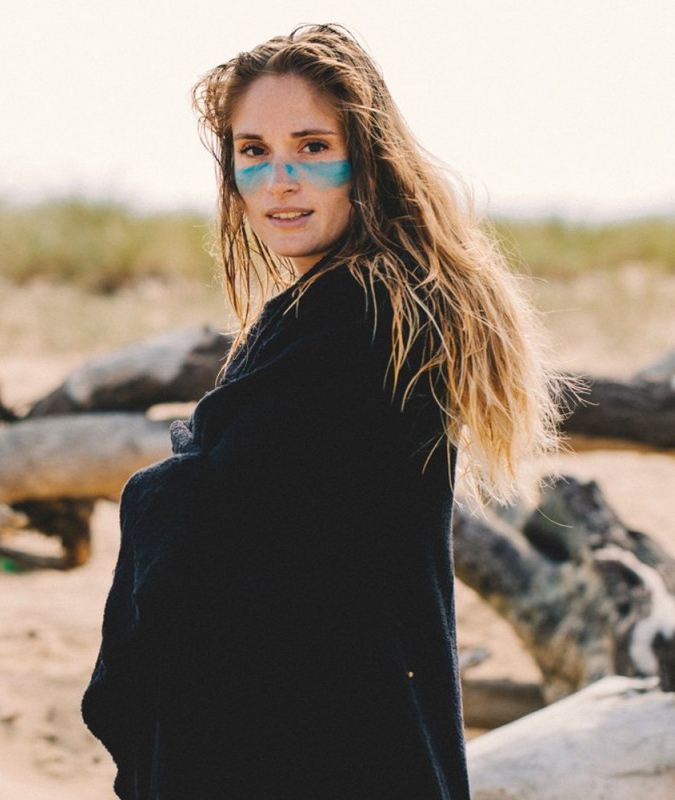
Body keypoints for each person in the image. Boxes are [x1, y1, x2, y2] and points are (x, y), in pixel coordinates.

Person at [82, 24, 564, 800]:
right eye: (253, 151)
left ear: (365, 157)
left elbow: (219, 512)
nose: (280, 179)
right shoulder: (362, 299)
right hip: (347, 720)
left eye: (312, 146)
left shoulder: (365, 314)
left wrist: (163, 484)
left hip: (333, 737)